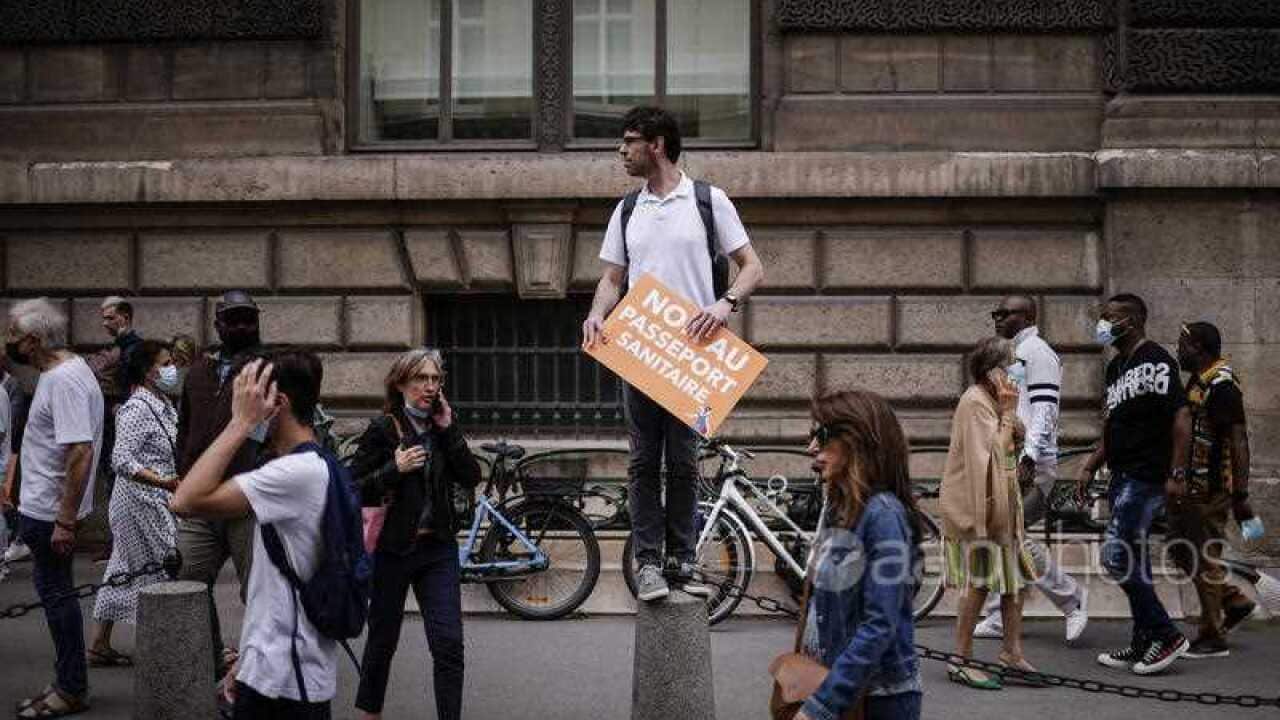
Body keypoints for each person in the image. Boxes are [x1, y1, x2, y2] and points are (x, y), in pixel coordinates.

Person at [581, 105, 765, 601]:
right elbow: (612, 278)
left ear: (656, 145)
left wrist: (725, 304)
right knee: (643, 463)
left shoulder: (707, 200)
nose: (622, 150)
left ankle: (682, 560)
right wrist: (598, 312)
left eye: (629, 141)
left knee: (683, 462)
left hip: (692, 352)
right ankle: (647, 564)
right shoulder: (627, 209)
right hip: (640, 350)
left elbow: (751, 266)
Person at [171, 353, 337, 719]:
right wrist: (245, 661)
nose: (244, 403)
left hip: (284, 681)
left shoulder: (293, 474)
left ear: (278, 404)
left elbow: (185, 499)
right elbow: (273, 592)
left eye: (252, 397)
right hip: (275, 668)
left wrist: (240, 423)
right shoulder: (310, 465)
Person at [351, 349, 482, 720]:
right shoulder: (383, 429)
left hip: (437, 549)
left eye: (435, 379)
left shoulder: (442, 428)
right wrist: (394, 468)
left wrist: (449, 429)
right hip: (393, 550)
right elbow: (351, 486)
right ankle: (370, 714)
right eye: (420, 379)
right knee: (382, 639)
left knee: (449, 644)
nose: (429, 387)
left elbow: (471, 476)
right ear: (401, 383)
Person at [784, 390, 923, 720]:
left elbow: (880, 624)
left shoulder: (883, 516)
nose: (812, 448)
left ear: (858, 441)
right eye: (811, 435)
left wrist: (821, 706)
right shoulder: (840, 507)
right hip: (838, 686)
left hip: (878, 700)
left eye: (823, 435)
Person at [1078, 293, 1191, 675]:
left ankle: (1167, 634)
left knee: (1116, 556)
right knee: (1135, 562)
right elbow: (1113, 426)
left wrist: (1177, 473)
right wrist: (1091, 465)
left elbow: (1180, 419)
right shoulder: (1115, 368)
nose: (1103, 324)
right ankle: (1146, 639)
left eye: (1110, 317)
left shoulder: (1157, 360)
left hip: (1147, 476)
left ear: (1134, 320)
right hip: (1121, 475)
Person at [7, 298, 104, 718]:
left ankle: (70, 688)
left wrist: (64, 520)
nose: (7, 341)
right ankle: (68, 681)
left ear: (32, 340)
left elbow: (79, 451)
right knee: (57, 599)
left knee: (58, 601)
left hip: (49, 515)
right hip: (44, 509)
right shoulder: (64, 371)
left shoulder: (63, 380)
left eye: (12, 333)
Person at [974, 296, 1088, 642]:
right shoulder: (1016, 353)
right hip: (1011, 457)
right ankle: (999, 616)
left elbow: (1045, 410)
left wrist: (1029, 458)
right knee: (1004, 535)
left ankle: (1072, 598)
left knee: (1012, 535)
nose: (996, 318)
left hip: (1030, 464)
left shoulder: (1037, 352)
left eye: (1004, 313)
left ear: (1027, 315)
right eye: (996, 312)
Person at [176, 290, 268, 677]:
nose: (243, 325)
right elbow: (184, 427)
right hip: (202, 500)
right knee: (187, 581)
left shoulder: (268, 368)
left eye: (249, 318)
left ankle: (256, 674)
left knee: (258, 593)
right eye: (235, 319)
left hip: (247, 499)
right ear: (218, 325)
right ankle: (214, 662)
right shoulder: (199, 370)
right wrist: (184, 473)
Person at [941, 336, 1039, 690]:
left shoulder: (994, 399)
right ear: (991, 370)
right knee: (980, 582)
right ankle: (960, 659)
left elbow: (1011, 447)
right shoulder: (974, 402)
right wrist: (1009, 414)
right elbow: (992, 457)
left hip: (1003, 508)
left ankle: (1011, 652)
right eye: (1011, 364)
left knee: (1014, 581)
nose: (1017, 371)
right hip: (980, 511)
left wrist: (1010, 413)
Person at [88, 340, 181, 666]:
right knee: (163, 568)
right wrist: (164, 482)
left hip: (156, 499)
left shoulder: (164, 403)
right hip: (139, 502)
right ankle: (167, 649)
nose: (173, 368)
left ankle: (99, 644)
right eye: (166, 362)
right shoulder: (137, 408)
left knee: (122, 570)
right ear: (148, 370)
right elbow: (121, 460)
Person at [1169, 321, 1259, 658]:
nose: (1178, 350)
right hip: (1190, 487)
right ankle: (1233, 601)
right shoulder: (1199, 380)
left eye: (1183, 344)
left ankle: (1212, 634)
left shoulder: (1223, 386)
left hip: (1211, 488)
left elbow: (1238, 441)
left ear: (1199, 348)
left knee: (1204, 557)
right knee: (1181, 551)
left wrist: (1241, 494)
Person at [86, 297, 142, 562]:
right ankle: (118, 542)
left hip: (121, 424)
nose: (104, 322)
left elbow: (134, 382)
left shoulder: (134, 349)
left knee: (120, 483)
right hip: (111, 424)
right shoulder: (120, 347)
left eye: (109, 317)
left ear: (124, 318)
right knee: (114, 483)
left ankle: (121, 544)